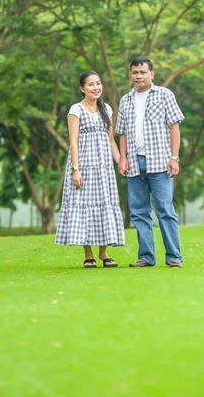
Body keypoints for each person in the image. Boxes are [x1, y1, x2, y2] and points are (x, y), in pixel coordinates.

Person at [116, 56, 184, 268]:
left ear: (151, 74)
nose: (139, 76)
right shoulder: (126, 100)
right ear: (131, 74)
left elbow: (174, 127)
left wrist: (174, 157)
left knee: (165, 209)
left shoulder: (164, 95)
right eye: (135, 73)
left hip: (160, 163)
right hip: (135, 165)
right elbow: (123, 134)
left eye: (143, 72)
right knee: (138, 212)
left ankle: (174, 256)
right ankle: (146, 256)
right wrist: (122, 158)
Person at [55, 71, 125, 268]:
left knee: (104, 204)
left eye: (98, 84)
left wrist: (120, 161)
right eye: (91, 84)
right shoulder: (76, 110)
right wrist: (76, 169)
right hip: (84, 165)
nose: (96, 87)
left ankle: (104, 253)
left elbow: (111, 140)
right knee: (84, 205)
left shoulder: (107, 109)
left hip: (103, 168)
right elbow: (74, 141)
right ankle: (88, 254)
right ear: (82, 88)